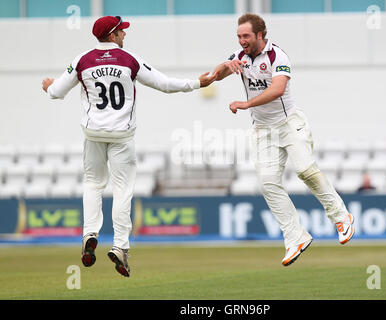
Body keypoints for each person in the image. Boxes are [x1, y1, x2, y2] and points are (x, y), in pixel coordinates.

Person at [42, 16, 216, 277]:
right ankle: (120, 246)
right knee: (122, 189)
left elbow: (56, 92)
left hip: (93, 133)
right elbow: (165, 84)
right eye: (121, 31)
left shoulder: (82, 60)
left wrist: (48, 88)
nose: (124, 35)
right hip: (122, 135)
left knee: (92, 184)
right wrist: (197, 83)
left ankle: (90, 233)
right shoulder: (129, 60)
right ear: (112, 35)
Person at [212, 13, 354, 267]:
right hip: (263, 130)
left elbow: (277, 89)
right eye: (238, 36)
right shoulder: (239, 56)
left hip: (290, 124)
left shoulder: (278, 56)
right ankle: (295, 236)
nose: (241, 40)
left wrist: (246, 104)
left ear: (260, 35)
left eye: (246, 36)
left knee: (305, 171)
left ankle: (341, 216)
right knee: (267, 183)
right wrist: (225, 67)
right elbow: (217, 74)